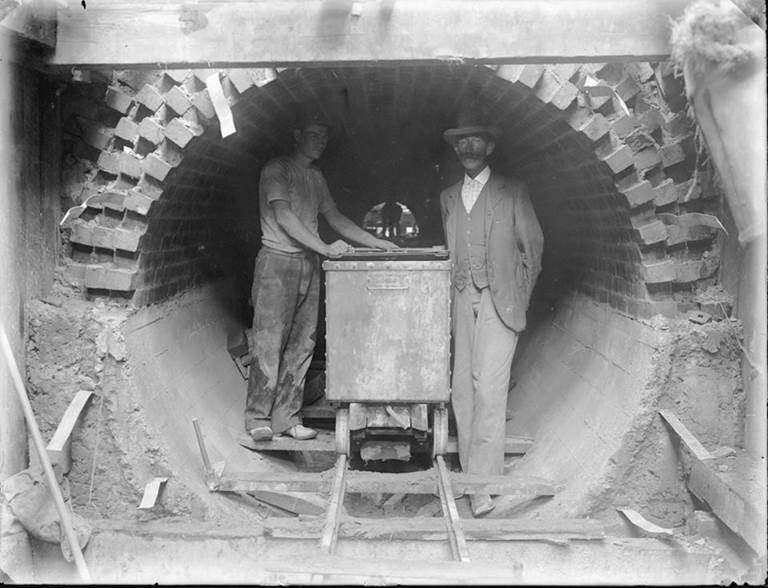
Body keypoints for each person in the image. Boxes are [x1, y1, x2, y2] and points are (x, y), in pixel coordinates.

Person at [245, 109, 397, 442]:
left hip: (309, 264)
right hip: (277, 263)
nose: (321, 142)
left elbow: (334, 216)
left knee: (303, 344)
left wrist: (375, 242)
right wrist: (325, 248)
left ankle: (286, 419)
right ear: (297, 135)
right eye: (314, 135)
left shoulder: (315, 177)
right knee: (269, 342)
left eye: (325, 137)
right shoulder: (277, 169)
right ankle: (258, 417)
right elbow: (284, 217)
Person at [439, 111, 544, 516]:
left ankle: (483, 486)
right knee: (462, 389)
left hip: (501, 300)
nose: (468, 147)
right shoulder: (449, 196)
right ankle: (473, 477)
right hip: (462, 296)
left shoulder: (512, 190)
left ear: (491, 146)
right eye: (461, 141)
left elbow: (532, 249)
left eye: (476, 140)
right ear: (455, 148)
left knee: (489, 389)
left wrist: (519, 298)